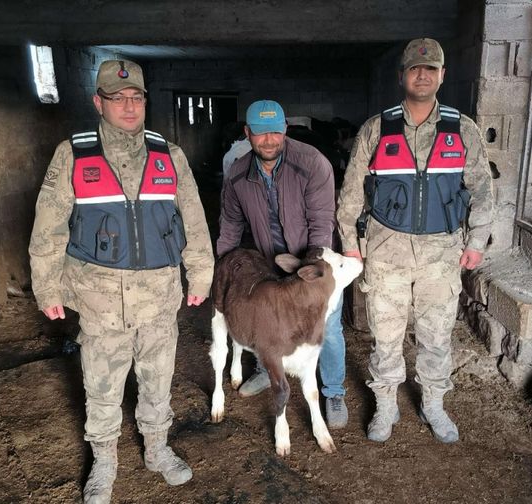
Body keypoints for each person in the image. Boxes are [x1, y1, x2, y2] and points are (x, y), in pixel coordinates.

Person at [28, 59, 214, 503]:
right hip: (99, 299)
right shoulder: (73, 153)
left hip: (159, 294)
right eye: (117, 98)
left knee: (157, 378)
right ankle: (105, 463)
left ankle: (157, 448)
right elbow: (49, 227)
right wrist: (47, 287)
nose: (129, 106)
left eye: (136, 98)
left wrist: (201, 272)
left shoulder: (170, 154)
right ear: (99, 102)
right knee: (102, 386)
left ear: (145, 101)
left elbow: (193, 219)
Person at [336, 38, 495, 444]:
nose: (422, 75)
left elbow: (481, 190)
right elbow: (351, 192)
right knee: (385, 335)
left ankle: (434, 404)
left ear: (442, 75)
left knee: (437, 335)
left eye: (431, 69)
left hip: (441, 253)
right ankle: (386, 405)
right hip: (387, 249)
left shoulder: (462, 129)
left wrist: (476, 240)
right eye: (414, 68)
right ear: (402, 75)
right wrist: (352, 247)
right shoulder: (377, 127)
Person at [216, 100, 349, 428]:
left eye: (275, 131)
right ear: (248, 134)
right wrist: (223, 268)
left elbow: (321, 223)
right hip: (268, 263)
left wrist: (309, 274)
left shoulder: (313, 163)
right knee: (266, 321)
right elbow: (230, 225)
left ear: (285, 130)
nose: (269, 140)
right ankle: (266, 369)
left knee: (326, 327)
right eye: (261, 134)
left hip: (311, 266)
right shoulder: (237, 173)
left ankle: (333, 391)